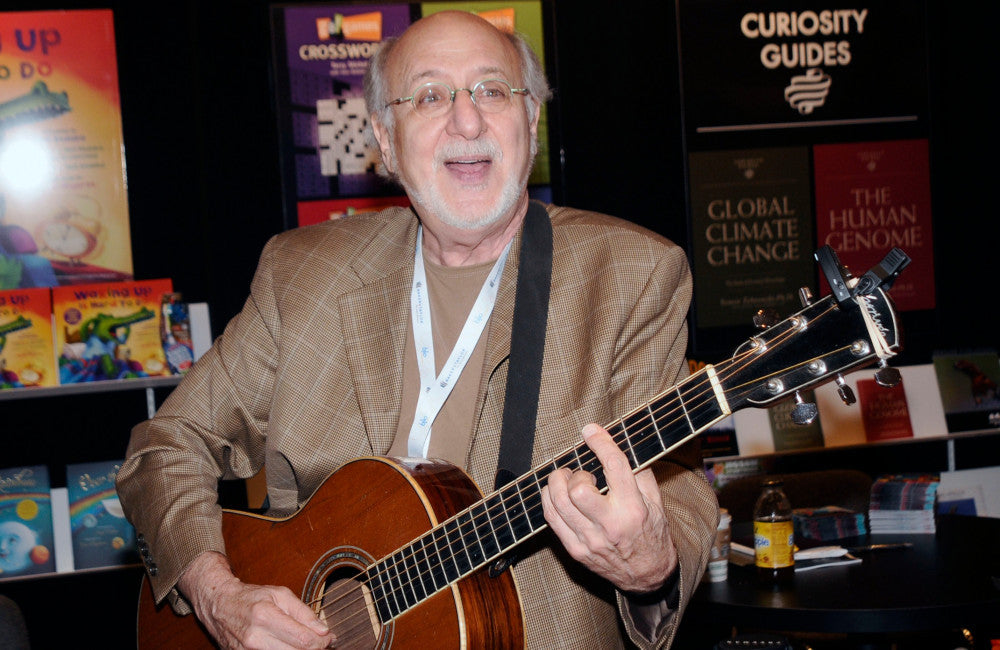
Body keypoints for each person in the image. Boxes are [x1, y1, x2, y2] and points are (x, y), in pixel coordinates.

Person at [117, 10, 718, 649]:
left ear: (532, 123)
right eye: (431, 96)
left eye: (492, 90)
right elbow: (166, 443)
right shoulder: (305, 273)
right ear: (385, 137)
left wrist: (654, 564)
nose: (467, 121)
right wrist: (218, 597)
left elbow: (674, 486)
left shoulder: (632, 275)